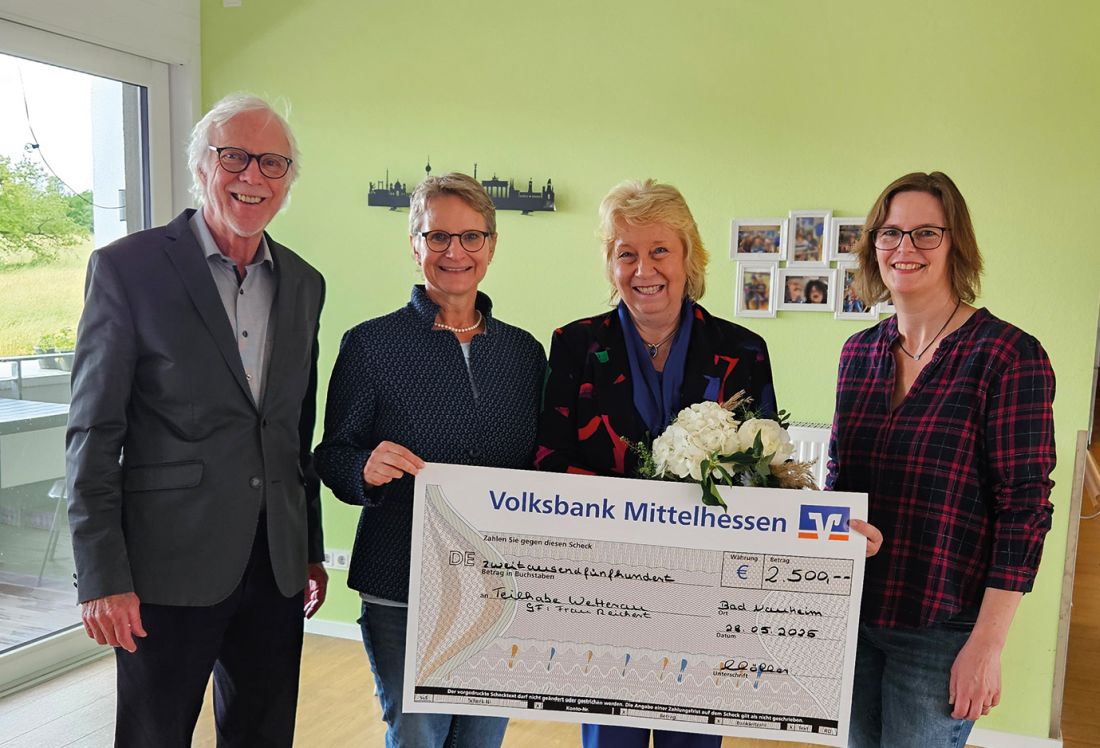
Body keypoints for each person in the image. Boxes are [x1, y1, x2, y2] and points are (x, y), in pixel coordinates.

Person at [536, 179, 881, 747]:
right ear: (610, 263)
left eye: (660, 250)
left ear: (689, 256)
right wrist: (632, 512)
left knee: (693, 737)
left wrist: (830, 533)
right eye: (626, 253)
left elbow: (769, 473)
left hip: (706, 597)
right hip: (607, 587)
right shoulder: (574, 344)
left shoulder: (742, 351)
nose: (644, 269)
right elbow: (549, 460)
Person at [65, 93, 327, 747]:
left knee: (264, 736)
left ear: (288, 180)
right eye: (234, 156)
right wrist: (102, 575)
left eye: (272, 162)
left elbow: (295, 433)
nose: (253, 176)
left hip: (275, 568)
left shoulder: (304, 282)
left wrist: (310, 551)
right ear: (200, 165)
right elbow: (94, 432)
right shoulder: (128, 268)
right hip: (166, 568)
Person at [314, 172, 545, 747]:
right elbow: (333, 453)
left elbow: (543, 463)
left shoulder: (523, 352)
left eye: (471, 237)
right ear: (415, 245)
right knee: (418, 736)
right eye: (437, 236)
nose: (454, 252)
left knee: (481, 739)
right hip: (402, 584)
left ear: (491, 245)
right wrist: (361, 467)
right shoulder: (370, 344)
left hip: (498, 587)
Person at [828, 171, 1056, 747]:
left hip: (942, 626)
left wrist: (988, 646)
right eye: (890, 233)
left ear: (957, 244)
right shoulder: (857, 352)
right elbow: (839, 478)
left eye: (926, 232)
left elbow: (1025, 510)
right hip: (853, 612)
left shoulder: (1007, 355)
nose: (904, 247)